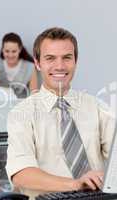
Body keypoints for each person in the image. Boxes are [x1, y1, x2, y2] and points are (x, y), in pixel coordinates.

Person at [6, 27, 116, 199]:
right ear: (37, 63)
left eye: (67, 58)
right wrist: (77, 184)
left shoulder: (96, 106)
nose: (59, 66)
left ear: (75, 61)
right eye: (50, 58)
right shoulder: (21, 113)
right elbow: (21, 174)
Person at [0, 32, 40, 98]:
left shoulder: (30, 67)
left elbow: (34, 94)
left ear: (19, 50)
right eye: (7, 51)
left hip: (22, 105)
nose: (10, 55)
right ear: (2, 50)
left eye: (14, 51)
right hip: (1, 104)